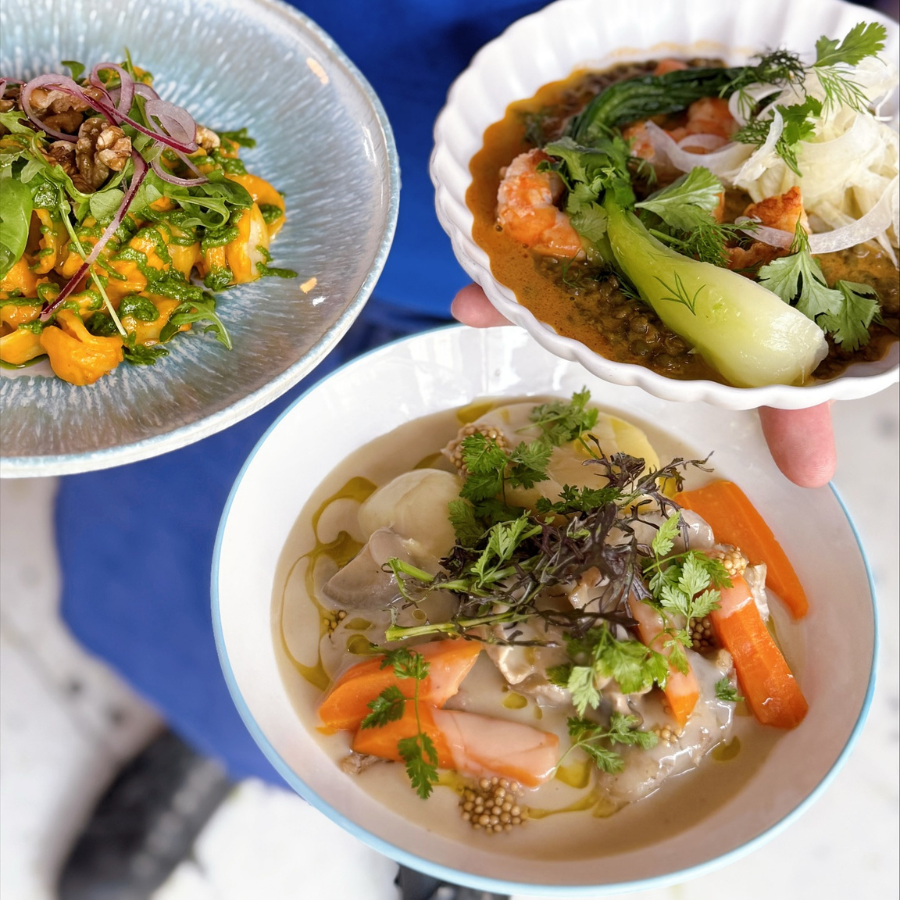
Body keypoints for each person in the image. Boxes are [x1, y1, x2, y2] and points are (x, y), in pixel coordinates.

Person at [53, 0, 880, 894]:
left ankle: (455, 853)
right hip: (262, 160)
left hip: (545, 279)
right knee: (191, 546)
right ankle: (209, 730)